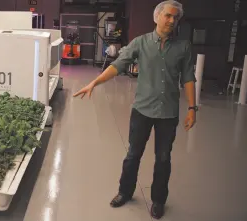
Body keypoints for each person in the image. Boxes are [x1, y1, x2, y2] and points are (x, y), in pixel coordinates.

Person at [73, 0, 197, 219]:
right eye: (168, 15)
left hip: (168, 114)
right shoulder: (140, 43)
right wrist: (94, 82)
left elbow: (188, 77)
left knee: (163, 158)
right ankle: (125, 192)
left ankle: (158, 200)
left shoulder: (183, 47)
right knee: (133, 154)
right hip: (142, 110)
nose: (171, 20)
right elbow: (117, 65)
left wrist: (192, 108)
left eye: (176, 17)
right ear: (157, 16)